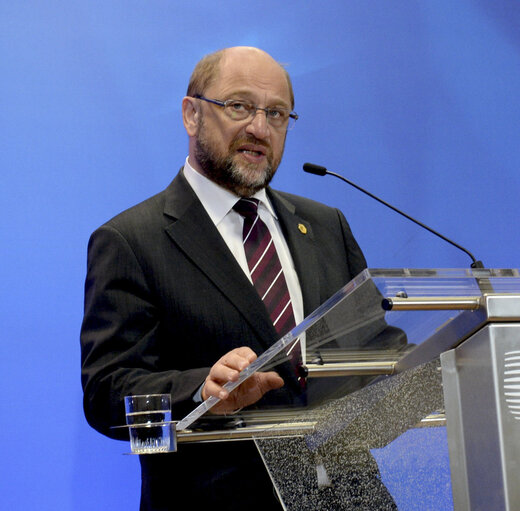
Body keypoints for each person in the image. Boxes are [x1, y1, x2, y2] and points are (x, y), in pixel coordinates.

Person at [80, 46, 373, 510]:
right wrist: (202, 391)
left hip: (352, 499)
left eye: (276, 113)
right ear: (191, 114)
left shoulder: (325, 225)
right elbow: (107, 393)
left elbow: (378, 351)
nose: (260, 128)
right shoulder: (131, 240)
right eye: (239, 106)